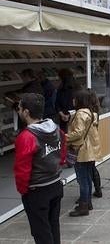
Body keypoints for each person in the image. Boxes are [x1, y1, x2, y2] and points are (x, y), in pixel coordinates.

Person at [14, 93, 66, 244]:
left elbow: (22, 169)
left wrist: (24, 190)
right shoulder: (56, 129)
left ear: (26, 112)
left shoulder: (26, 136)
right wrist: (56, 167)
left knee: (41, 232)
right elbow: (62, 152)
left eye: (19, 108)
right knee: (53, 226)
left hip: (37, 190)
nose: (18, 111)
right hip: (55, 184)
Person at [66, 89, 102, 217]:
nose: (73, 100)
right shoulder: (91, 113)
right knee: (87, 177)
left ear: (79, 100)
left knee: (83, 180)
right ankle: (87, 203)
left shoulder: (80, 114)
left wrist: (64, 137)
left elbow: (78, 132)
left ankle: (83, 207)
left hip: (82, 151)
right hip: (90, 149)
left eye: (75, 98)